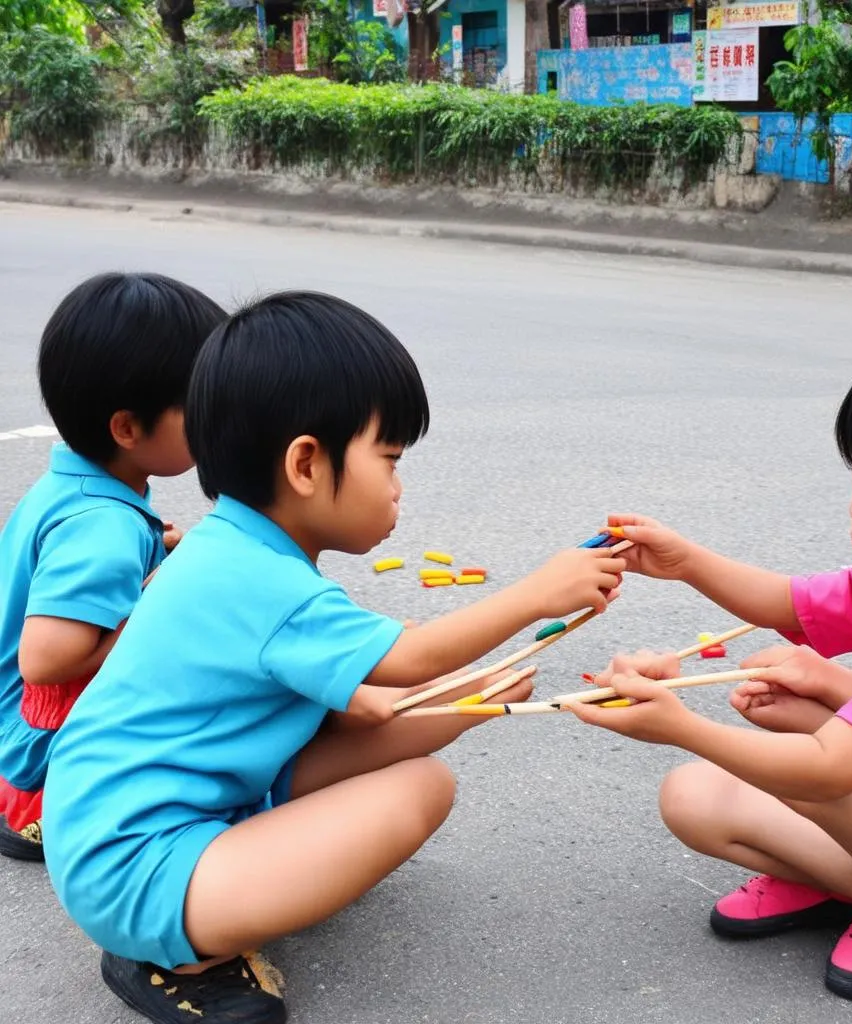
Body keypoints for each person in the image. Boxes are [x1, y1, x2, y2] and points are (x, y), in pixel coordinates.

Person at [43, 290, 626, 1024]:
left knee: (418, 732)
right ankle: (179, 956)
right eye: (388, 459)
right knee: (419, 791)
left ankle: (222, 893)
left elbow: (375, 699)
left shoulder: (238, 549)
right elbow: (410, 659)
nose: (397, 487)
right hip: (132, 862)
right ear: (307, 464)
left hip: (127, 823)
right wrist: (537, 594)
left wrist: (470, 699)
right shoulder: (260, 579)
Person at [570, 307, 852, 1005]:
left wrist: (679, 725)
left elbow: (828, 770)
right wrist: (687, 560)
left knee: (813, 759)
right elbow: (790, 603)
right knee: (692, 796)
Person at [0, 272, 226, 862]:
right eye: (201, 405)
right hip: (33, 745)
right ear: (127, 428)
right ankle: (45, 811)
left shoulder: (80, 486)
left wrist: (158, 547)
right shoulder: (103, 526)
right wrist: (155, 602)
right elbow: (45, 659)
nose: (219, 417)